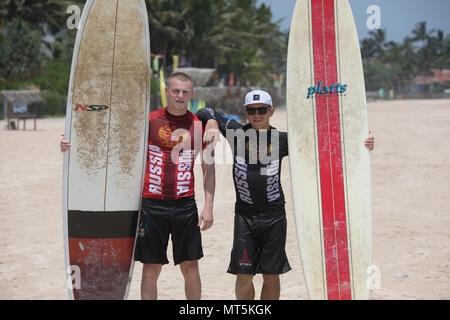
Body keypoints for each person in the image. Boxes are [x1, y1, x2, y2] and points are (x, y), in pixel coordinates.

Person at [197, 89, 374, 300]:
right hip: (245, 216)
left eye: (262, 110)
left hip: (274, 216)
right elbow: (203, 110)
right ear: (244, 111)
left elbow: (327, 140)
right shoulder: (235, 132)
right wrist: (212, 123)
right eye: (251, 110)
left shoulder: (282, 140)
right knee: (243, 274)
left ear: (271, 111)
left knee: (271, 274)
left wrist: (362, 139)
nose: (257, 115)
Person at [61, 72, 215, 300]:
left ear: (192, 94)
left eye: (184, 92)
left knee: (190, 266)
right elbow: (109, 137)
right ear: (167, 92)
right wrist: (71, 141)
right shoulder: (149, 121)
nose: (180, 96)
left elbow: (208, 168)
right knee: (151, 268)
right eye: (175, 91)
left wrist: (209, 206)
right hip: (152, 205)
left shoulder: (198, 126)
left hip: (185, 205)